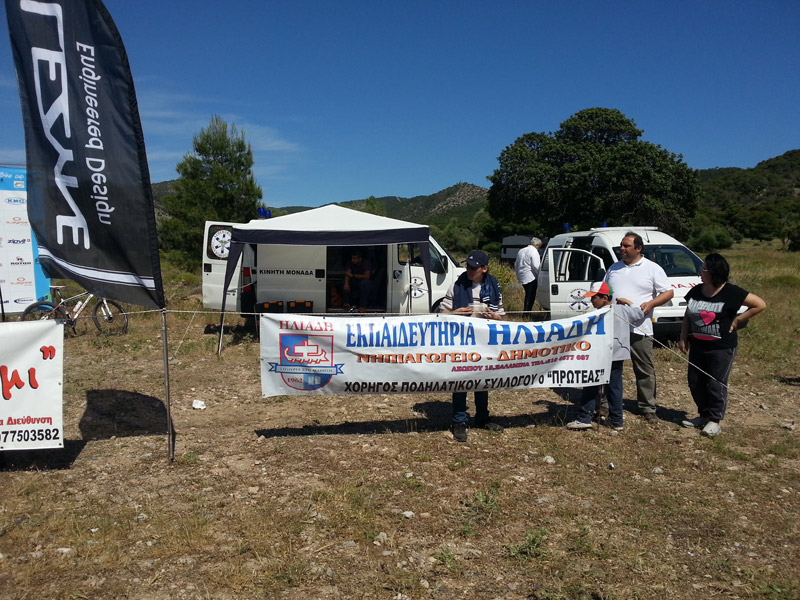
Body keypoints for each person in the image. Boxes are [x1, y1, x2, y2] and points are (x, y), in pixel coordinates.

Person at [678, 253, 765, 437]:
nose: (700, 272)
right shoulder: (696, 290)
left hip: (721, 347)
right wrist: (683, 336)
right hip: (698, 345)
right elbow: (688, 314)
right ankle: (703, 416)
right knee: (695, 381)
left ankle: (715, 420)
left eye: (703, 269)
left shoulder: (731, 292)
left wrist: (738, 320)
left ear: (714, 272)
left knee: (715, 382)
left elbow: (759, 304)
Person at [603, 232, 674, 423]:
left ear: (638, 248)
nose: (622, 249)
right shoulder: (614, 268)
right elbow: (605, 291)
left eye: (626, 246)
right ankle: (605, 403)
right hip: (615, 327)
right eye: (621, 245)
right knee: (610, 367)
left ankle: (647, 407)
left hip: (640, 327)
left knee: (643, 368)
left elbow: (668, 292)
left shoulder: (652, 268)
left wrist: (651, 304)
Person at [438, 250, 504, 442]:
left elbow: (502, 316)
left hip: (485, 340)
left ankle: (482, 417)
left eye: (473, 267)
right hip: (461, 340)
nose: (469, 270)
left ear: (484, 269)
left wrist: (494, 316)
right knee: (461, 379)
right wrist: (456, 312)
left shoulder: (494, 287)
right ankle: (459, 420)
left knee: (482, 378)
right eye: (467, 266)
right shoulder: (457, 285)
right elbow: (442, 314)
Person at [566, 282, 645, 432]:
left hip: (601, 355)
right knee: (614, 387)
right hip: (617, 354)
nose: (591, 301)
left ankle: (584, 418)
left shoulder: (596, 315)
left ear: (604, 298)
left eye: (594, 298)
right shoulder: (623, 310)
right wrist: (628, 303)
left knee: (591, 384)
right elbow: (640, 312)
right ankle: (617, 421)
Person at [514, 237, 542, 316]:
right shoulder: (534, 251)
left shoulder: (521, 250)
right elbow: (536, 266)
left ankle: (526, 312)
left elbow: (516, 264)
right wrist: (539, 275)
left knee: (528, 295)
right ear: (537, 245)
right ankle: (526, 313)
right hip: (530, 276)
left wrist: (518, 274)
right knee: (530, 296)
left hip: (522, 275)